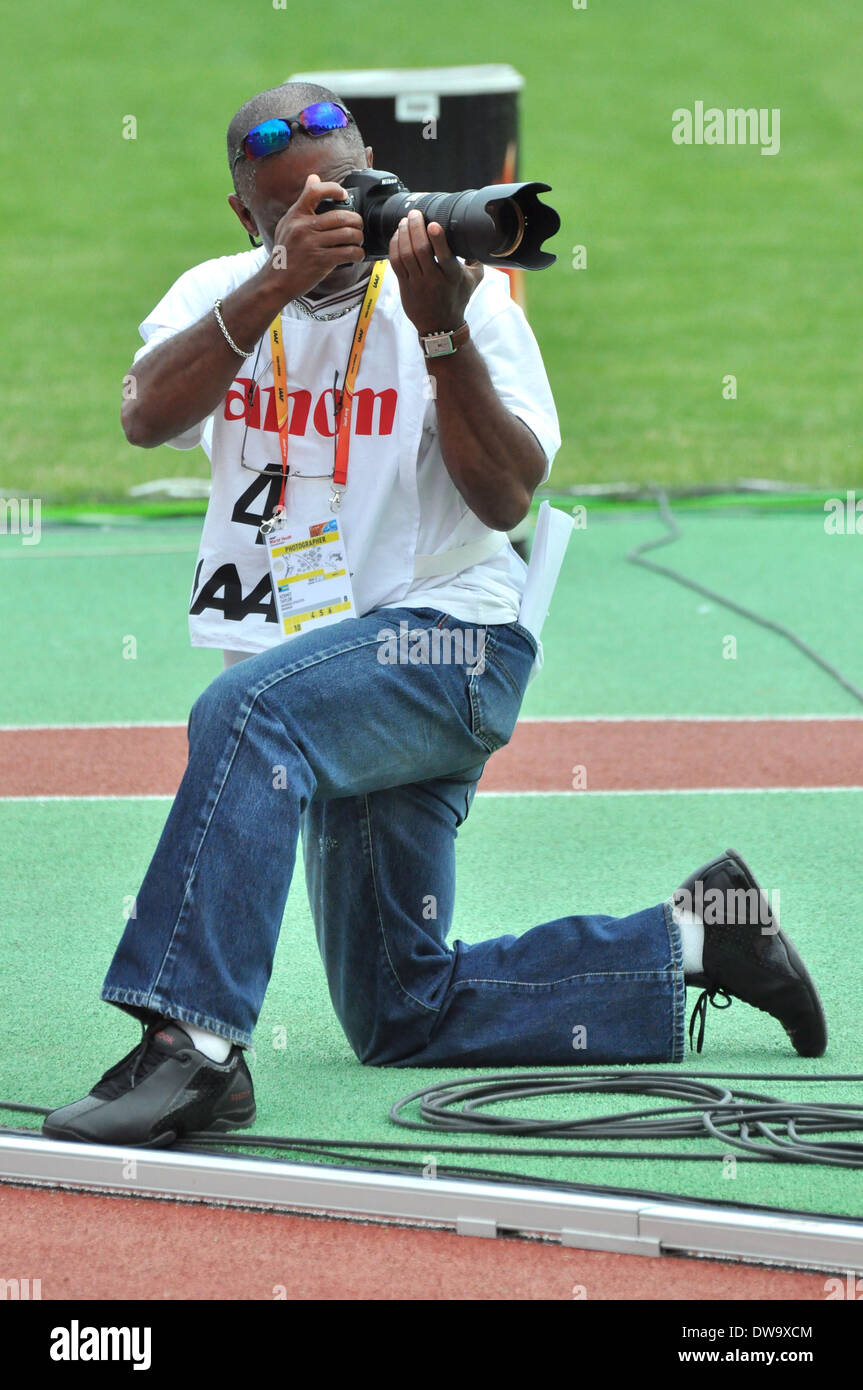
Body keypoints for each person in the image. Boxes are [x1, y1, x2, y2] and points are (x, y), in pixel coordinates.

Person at [44, 83, 826, 1149]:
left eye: (344, 192)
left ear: (374, 170)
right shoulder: (218, 290)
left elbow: (506, 497)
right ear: (246, 221)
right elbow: (146, 416)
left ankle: (194, 1048)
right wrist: (273, 283)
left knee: (243, 716)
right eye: (292, 213)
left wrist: (442, 333)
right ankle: (697, 937)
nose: (330, 225)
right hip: (330, 682)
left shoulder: (467, 304)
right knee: (399, 1010)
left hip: (448, 648)